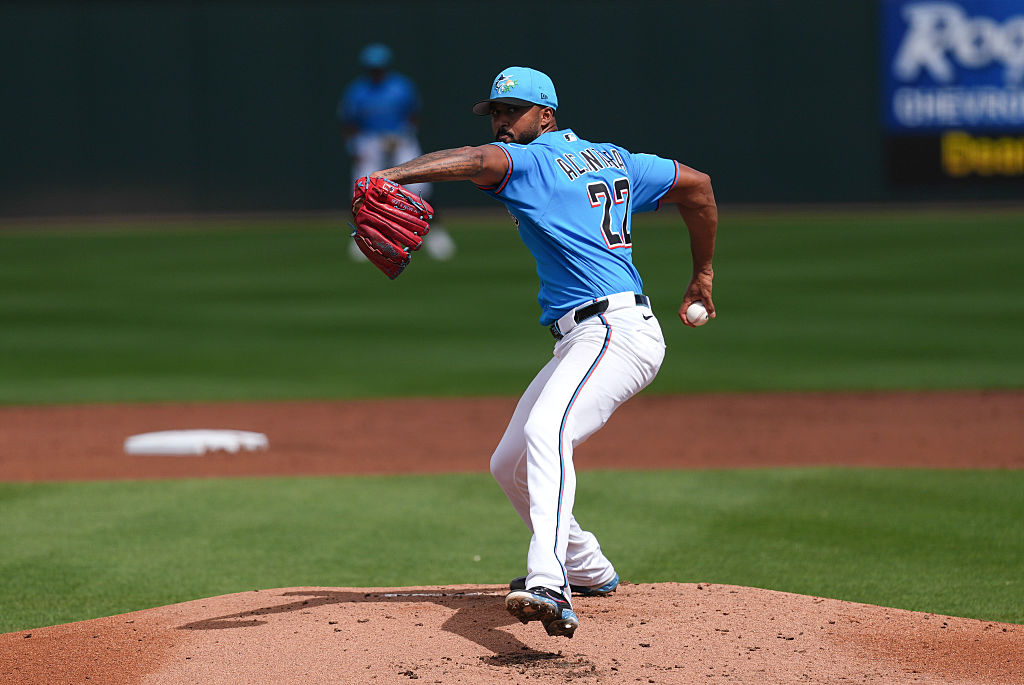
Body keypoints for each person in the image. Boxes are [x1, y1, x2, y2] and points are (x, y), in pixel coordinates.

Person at [362, 66, 717, 638]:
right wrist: (702, 273)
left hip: (613, 332)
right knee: (509, 465)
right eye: (496, 112)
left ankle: (550, 581)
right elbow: (697, 185)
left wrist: (391, 174)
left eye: (514, 111)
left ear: (546, 116)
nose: (502, 122)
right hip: (594, 334)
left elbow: (480, 161)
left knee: (545, 431)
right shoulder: (615, 157)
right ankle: (588, 567)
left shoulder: (534, 161)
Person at [337, 43, 455, 261]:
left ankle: (434, 232)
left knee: (420, 184)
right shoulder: (357, 91)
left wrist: (406, 133)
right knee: (362, 187)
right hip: (369, 140)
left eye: (379, 67)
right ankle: (364, 237)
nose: (376, 72)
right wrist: (353, 146)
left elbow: (413, 113)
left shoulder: (401, 87)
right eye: (372, 68)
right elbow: (348, 123)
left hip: (399, 138)